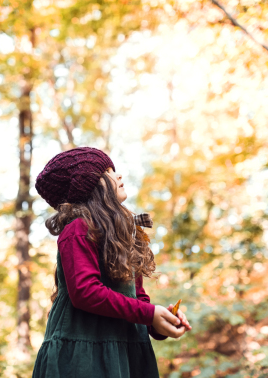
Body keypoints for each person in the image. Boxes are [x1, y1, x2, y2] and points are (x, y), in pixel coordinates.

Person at [32, 147, 191, 378]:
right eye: (107, 171)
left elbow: (137, 298)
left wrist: (158, 322)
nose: (118, 175)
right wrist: (148, 313)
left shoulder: (123, 236)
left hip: (126, 353)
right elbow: (86, 292)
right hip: (83, 355)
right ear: (88, 186)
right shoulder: (78, 230)